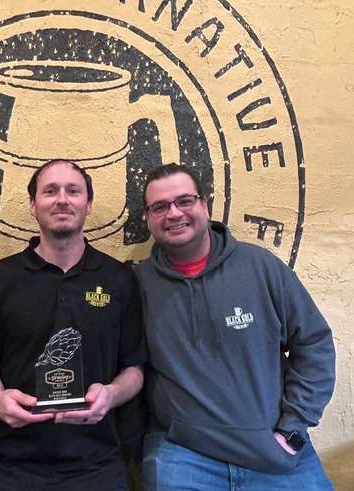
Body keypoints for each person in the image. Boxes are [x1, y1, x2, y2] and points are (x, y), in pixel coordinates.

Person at [137, 164, 336, 490]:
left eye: (184, 201)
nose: (174, 213)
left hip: (274, 452)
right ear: (148, 218)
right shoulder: (139, 285)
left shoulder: (261, 268)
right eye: (160, 206)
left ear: (205, 204)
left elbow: (314, 343)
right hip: (184, 455)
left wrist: (293, 428)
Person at [0, 160, 145, 491]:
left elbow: (134, 368)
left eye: (73, 191)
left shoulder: (119, 279)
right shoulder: (0, 278)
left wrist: (110, 394)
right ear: (33, 206)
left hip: (96, 464)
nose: (62, 199)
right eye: (50, 191)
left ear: (88, 205)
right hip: (9, 465)